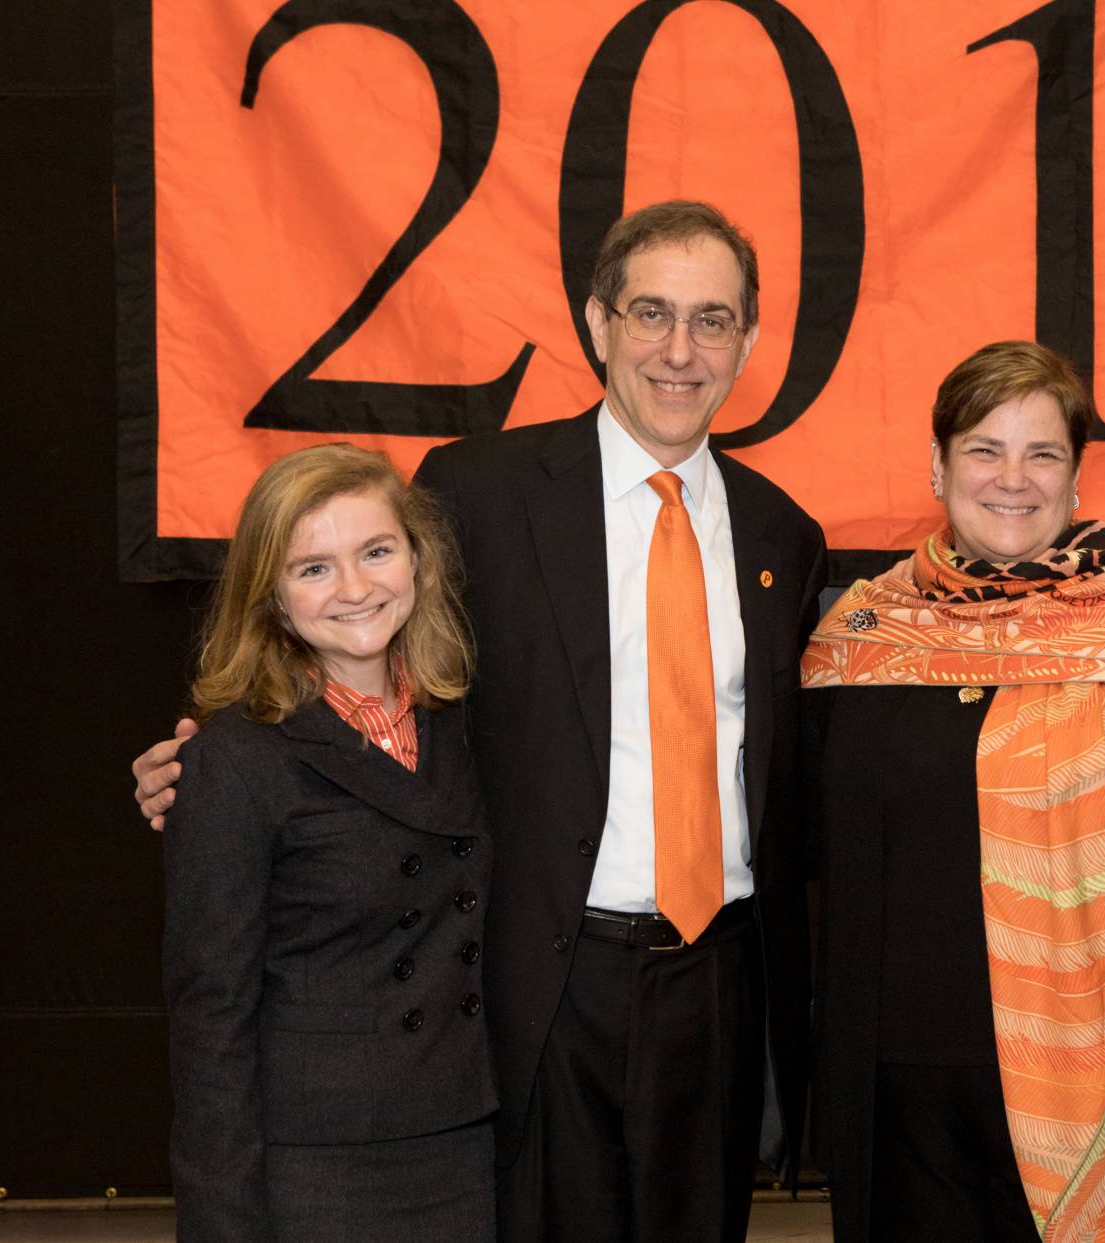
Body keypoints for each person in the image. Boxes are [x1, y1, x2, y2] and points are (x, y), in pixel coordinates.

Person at [138, 200, 828, 1243]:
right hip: (543, 986)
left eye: (712, 320)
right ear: (598, 324)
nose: (679, 351)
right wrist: (220, 752)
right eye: (651, 314)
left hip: (719, 985)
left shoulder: (785, 532)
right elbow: (359, 631)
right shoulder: (479, 491)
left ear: (750, 342)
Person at [801, 341, 1105, 1243]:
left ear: (1078, 477)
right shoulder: (864, 635)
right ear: (937, 465)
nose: (1014, 479)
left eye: (1042, 454)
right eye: (983, 450)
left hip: (1104, 1074)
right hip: (904, 1083)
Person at [162, 444, 494, 1242]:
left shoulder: (463, 726)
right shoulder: (235, 759)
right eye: (313, 567)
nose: (354, 588)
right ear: (270, 596)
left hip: (463, 1147)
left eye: (376, 551)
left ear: (417, 562)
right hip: (315, 1169)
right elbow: (213, 1017)